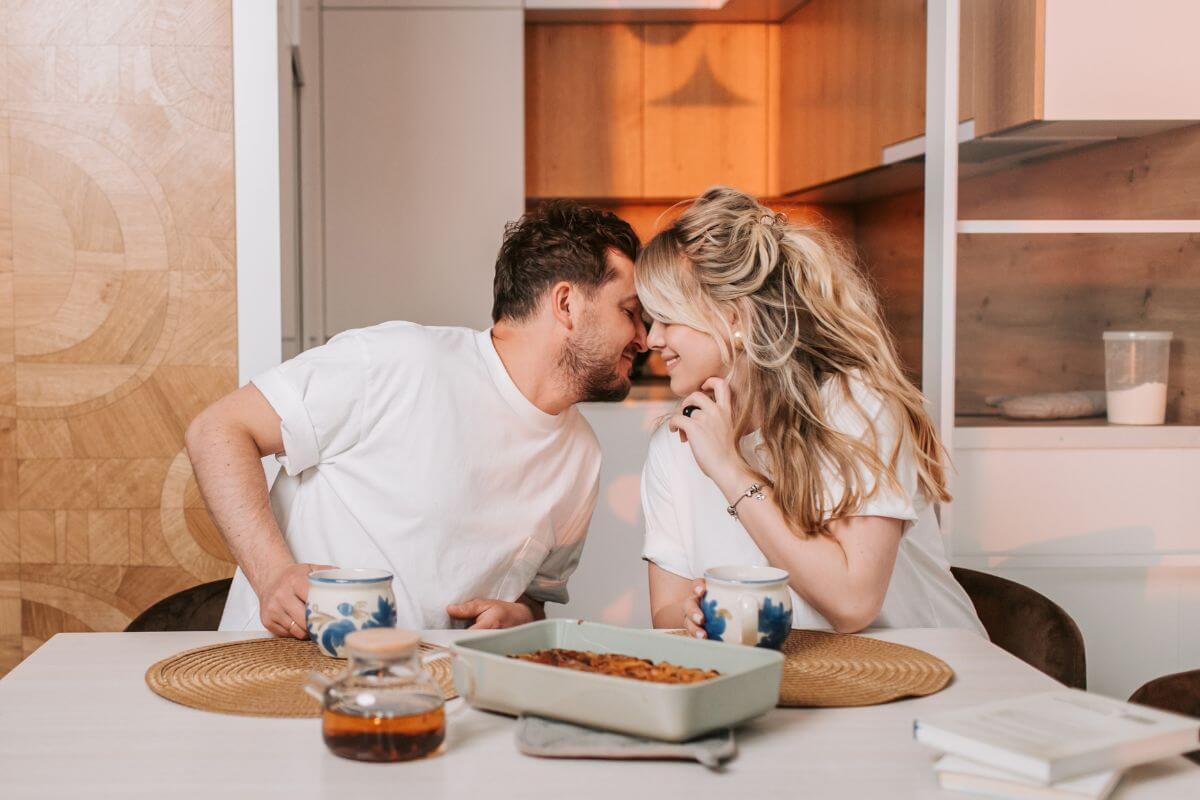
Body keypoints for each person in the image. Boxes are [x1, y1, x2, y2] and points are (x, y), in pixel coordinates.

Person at [186, 201, 647, 636]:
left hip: (426, 697)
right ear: (566, 304)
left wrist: (520, 614)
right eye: (630, 313)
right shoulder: (401, 360)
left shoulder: (583, 455)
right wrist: (273, 577)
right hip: (276, 676)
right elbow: (219, 430)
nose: (644, 340)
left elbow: (535, 597)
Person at [635, 186, 984, 638]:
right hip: (800, 685)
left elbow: (852, 603)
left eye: (667, 317)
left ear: (734, 319)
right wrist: (690, 619)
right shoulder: (673, 443)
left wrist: (729, 469)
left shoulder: (856, 408)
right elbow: (666, 612)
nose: (651, 340)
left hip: (933, 672)